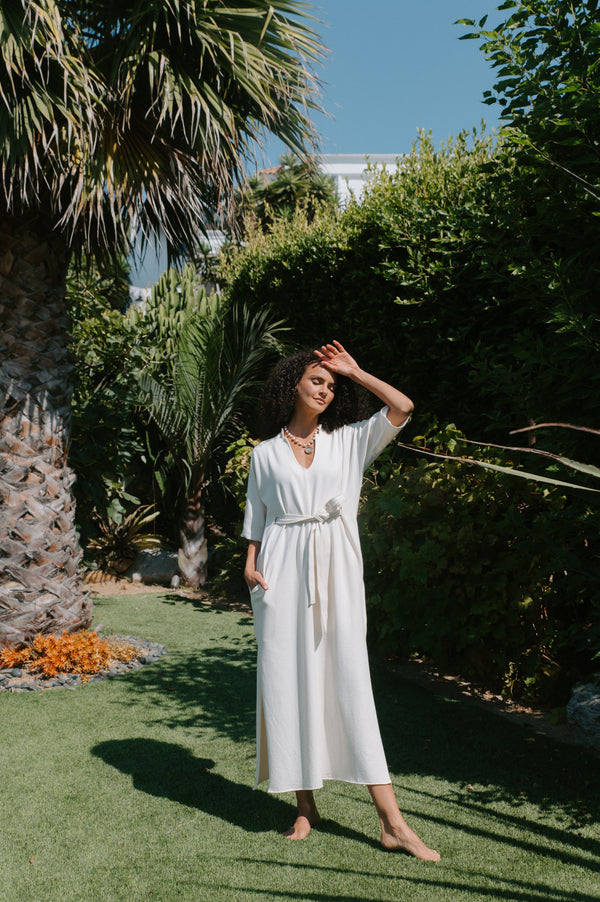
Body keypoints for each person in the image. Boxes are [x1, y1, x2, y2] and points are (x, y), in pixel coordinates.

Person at [242, 341, 440, 861]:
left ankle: (392, 821)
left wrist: (355, 370)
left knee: (349, 682)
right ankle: (305, 804)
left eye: (332, 386)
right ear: (293, 385)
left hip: (337, 571)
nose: (326, 390)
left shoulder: (350, 441)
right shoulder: (263, 455)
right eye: (317, 381)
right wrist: (249, 562)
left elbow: (402, 408)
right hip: (280, 576)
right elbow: (257, 520)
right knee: (287, 682)